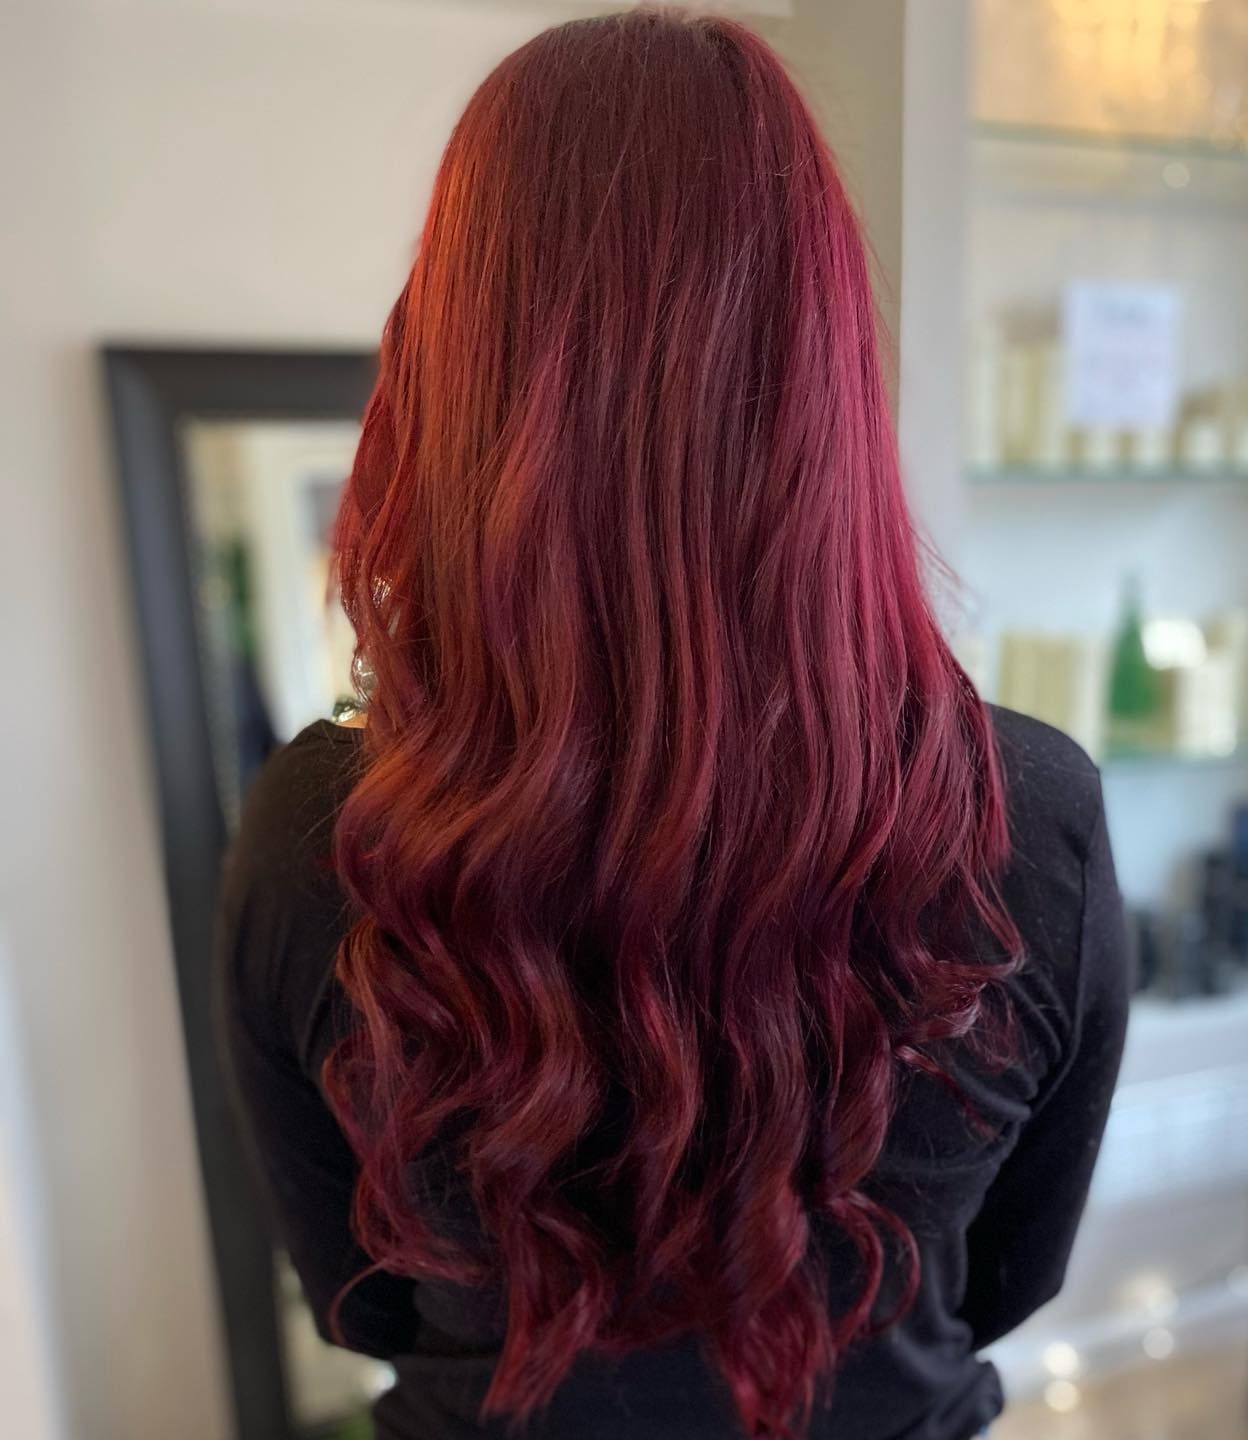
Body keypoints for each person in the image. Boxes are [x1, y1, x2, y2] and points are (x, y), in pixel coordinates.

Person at [218, 12, 1128, 1439]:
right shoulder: (1031, 817)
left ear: (454, 364)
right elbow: (1004, 1276)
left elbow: (357, 1297)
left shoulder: (316, 838)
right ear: (824, 379)